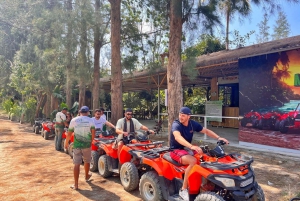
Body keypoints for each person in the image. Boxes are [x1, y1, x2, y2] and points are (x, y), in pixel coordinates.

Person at [170, 107, 229, 201]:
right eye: (180, 115)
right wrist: (191, 146)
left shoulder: (192, 124)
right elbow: (177, 137)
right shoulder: (176, 124)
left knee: (206, 155)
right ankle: (183, 189)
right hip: (176, 150)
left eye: (183, 115)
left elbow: (206, 131)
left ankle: (206, 182)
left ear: (188, 116)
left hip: (186, 148)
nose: (181, 117)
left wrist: (218, 138)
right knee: (193, 161)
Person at [65, 106, 95, 190]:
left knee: (76, 163)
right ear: (88, 112)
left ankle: (76, 185)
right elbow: (93, 133)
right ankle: (86, 176)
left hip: (77, 145)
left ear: (79, 112)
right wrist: (91, 141)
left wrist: (66, 143)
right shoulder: (91, 120)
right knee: (87, 161)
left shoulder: (74, 120)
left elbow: (69, 133)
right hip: (87, 144)